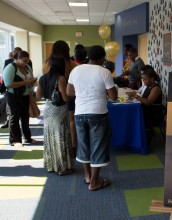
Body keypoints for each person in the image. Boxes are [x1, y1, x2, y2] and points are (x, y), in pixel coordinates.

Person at [67, 45, 118, 191]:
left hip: (79, 113)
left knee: (84, 145)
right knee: (98, 146)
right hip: (98, 113)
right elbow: (113, 97)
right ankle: (94, 182)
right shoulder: (104, 71)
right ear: (102, 58)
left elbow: (69, 92)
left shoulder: (75, 70)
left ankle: (87, 176)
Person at [36, 56, 74, 175]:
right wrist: (73, 95)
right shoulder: (60, 78)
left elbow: (38, 95)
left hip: (47, 109)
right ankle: (63, 167)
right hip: (58, 109)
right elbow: (65, 98)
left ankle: (52, 164)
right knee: (61, 136)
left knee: (50, 136)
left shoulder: (42, 78)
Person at [42, 40, 78, 156]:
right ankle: (73, 145)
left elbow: (44, 81)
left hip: (51, 99)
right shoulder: (70, 63)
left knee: (53, 126)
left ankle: (54, 150)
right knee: (71, 121)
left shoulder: (47, 63)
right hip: (68, 95)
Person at [3, 51, 37, 147]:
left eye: (27, 61)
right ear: (17, 58)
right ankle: (15, 140)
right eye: (23, 60)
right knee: (14, 117)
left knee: (25, 117)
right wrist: (25, 82)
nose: (25, 62)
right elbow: (8, 84)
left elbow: (30, 80)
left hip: (25, 94)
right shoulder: (10, 67)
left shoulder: (27, 67)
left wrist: (32, 82)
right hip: (13, 96)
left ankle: (27, 137)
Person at [126, 68, 163, 145]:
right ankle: (133, 139)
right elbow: (143, 99)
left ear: (152, 78)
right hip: (147, 110)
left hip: (153, 113)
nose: (144, 81)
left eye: (145, 79)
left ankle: (140, 141)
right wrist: (132, 97)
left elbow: (148, 102)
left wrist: (135, 96)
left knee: (133, 116)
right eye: (143, 79)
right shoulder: (148, 86)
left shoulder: (155, 88)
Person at [1, 47, 23, 128]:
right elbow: (5, 74)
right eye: (15, 52)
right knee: (9, 107)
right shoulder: (8, 61)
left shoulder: (26, 62)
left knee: (20, 107)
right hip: (10, 88)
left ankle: (19, 120)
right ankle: (8, 121)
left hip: (21, 87)